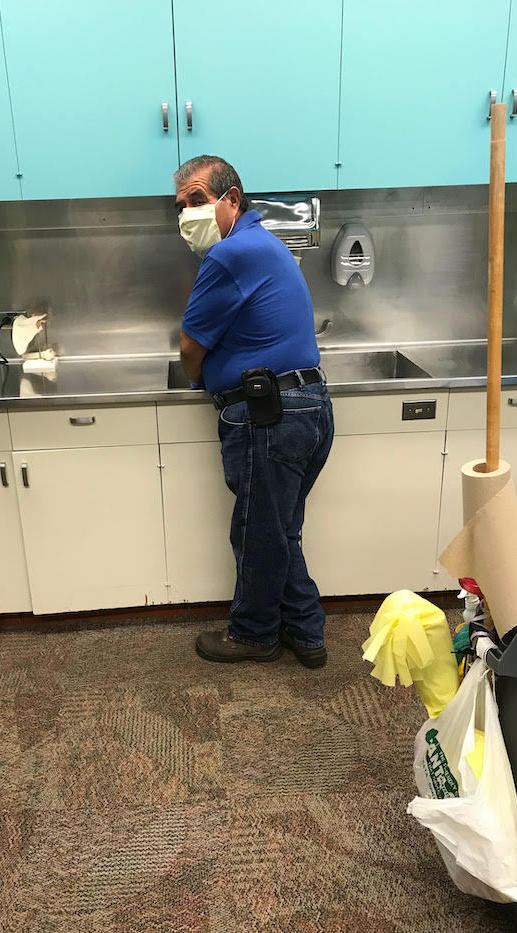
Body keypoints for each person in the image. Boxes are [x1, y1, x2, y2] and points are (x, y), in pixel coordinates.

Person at [174, 155, 334, 669]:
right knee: (280, 527)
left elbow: (189, 348)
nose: (187, 215)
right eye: (180, 206)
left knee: (258, 531)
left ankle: (253, 634)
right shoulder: (264, 244)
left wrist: (201, 380)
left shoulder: (229, 255)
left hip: (270, 415)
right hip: (305, 408)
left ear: (232, 200)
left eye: (197, 201)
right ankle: (306, 633)